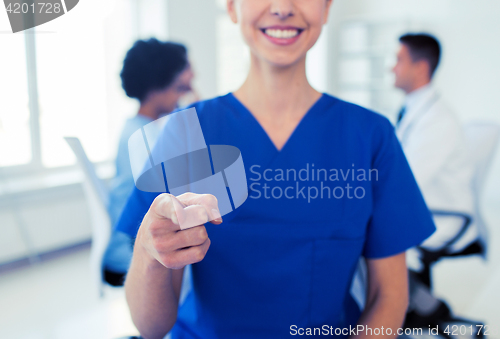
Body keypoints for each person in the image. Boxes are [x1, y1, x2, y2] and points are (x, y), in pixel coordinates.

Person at [115, 1, 435, 338]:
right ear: (232, 8)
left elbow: (389, 293)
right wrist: (149, 254)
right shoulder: (185, 134)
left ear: (326, 8)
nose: (282, 7)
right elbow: (150, 328)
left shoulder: (371, 136)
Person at [103, 38, 195, 286]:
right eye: (178, 88)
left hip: (129, 241)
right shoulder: (144, 139)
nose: (181, 97)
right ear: (156, 88)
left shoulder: (138, 128)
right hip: (129, 252)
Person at [392, 34, 477, 272]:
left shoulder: (438, 120)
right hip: (424, 206)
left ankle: (425, 308)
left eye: (399, 60)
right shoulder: (415, 109)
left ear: (420, 68)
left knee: (364, 238)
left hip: (443, 215)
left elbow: (405, 181)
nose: (392, 68)